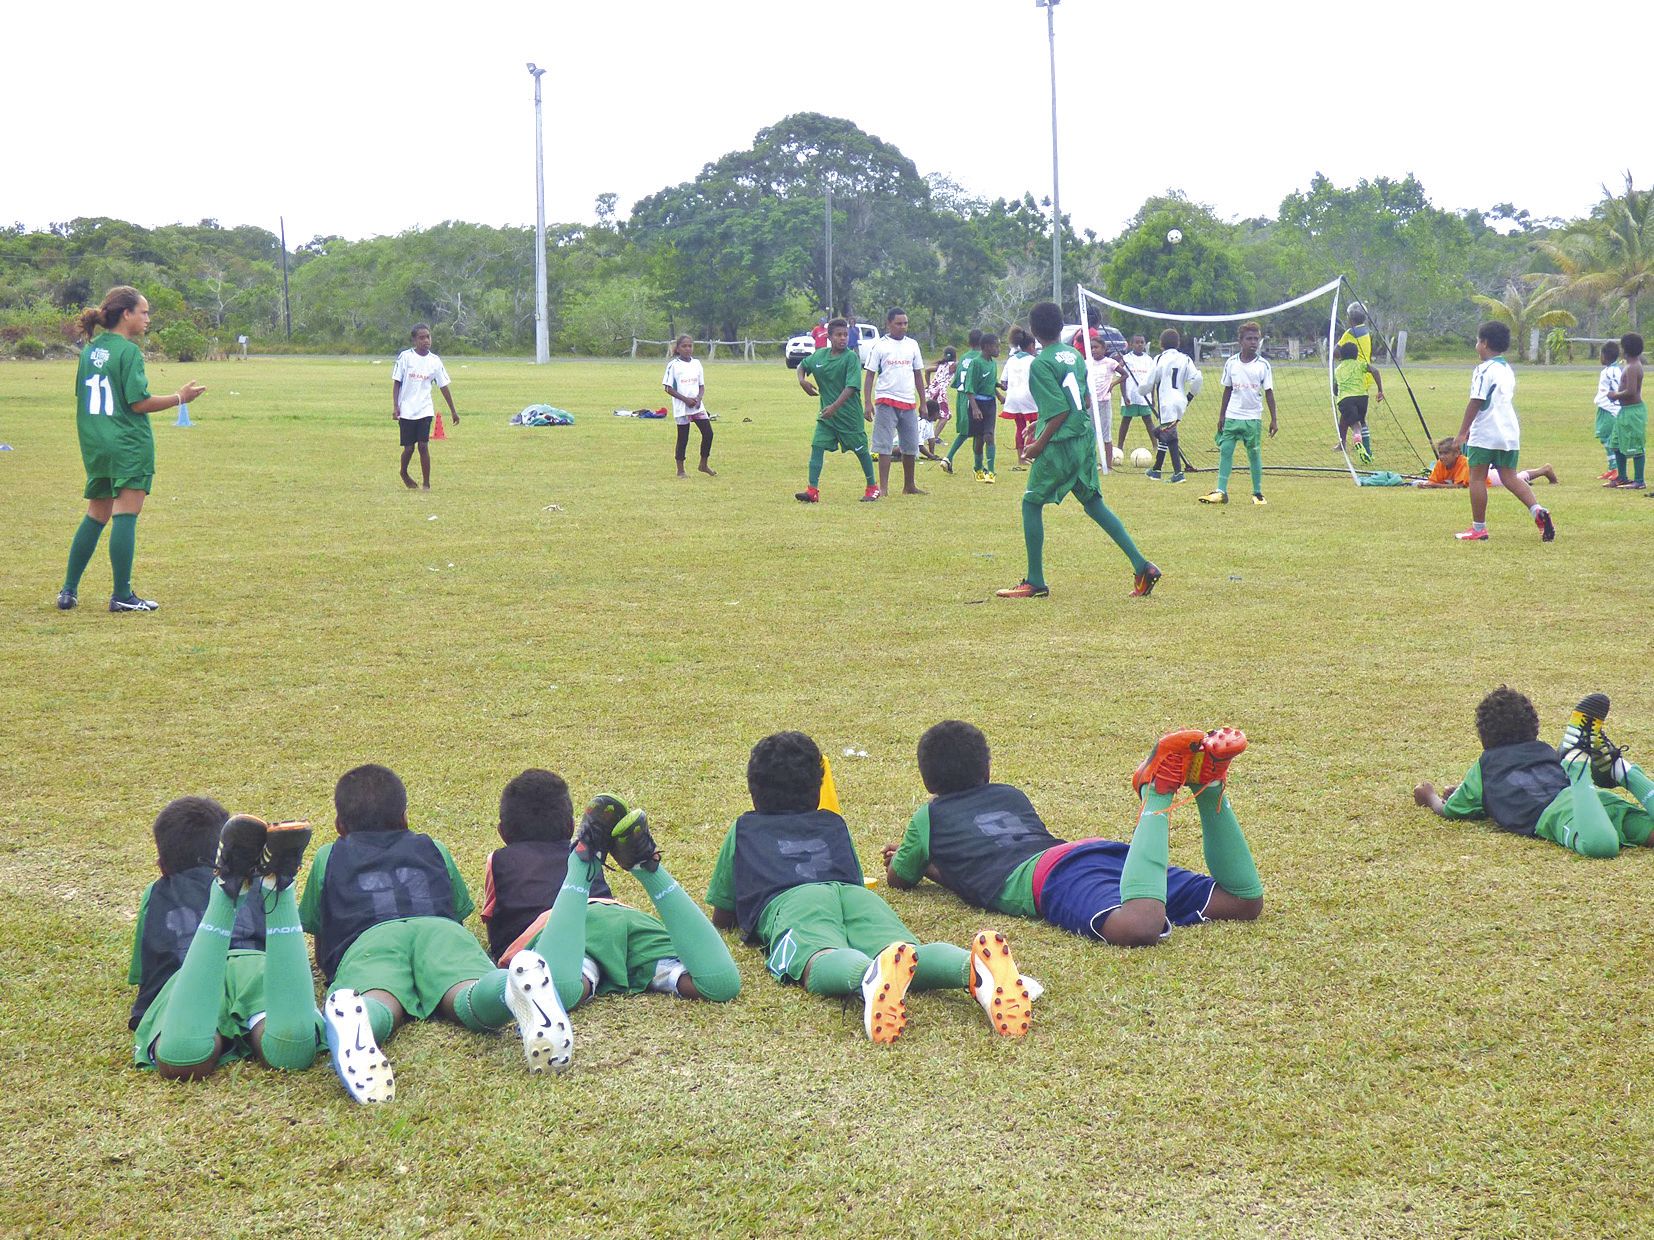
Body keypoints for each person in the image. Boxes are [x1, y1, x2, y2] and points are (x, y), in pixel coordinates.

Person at [705, 731, 1036, 1043]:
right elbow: (850, 875)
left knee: (817, 958)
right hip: (857, 896)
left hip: (794, 901)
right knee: (909, 955)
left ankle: (868, 976)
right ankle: (973, 966)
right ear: (818, 787)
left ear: (753, 790)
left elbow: (724, 914)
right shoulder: (833, 823)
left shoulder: (744, 829)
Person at [299, 764, 571, 1103]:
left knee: (381, 1001)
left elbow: (318, 925)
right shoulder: (433, 847)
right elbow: (455, 910)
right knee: (466, 994)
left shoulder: (328, 855)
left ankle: (360, 1015)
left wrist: (333, 964)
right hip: (441, 931)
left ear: (339, 826)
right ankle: (509, 987)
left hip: (369, 940)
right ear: (404, 818)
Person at [882, 721, 1264, 947]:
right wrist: (937, 867)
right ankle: (1209, 786)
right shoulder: (1010, 794)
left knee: (1139, 924)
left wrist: (910, 859)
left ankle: (1157, 790)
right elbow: (979, 860)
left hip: (1052, 878)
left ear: (927, 780)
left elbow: (901, 878)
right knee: (1242, 903)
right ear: (987, 769)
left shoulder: (928, 816)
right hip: (1098, 854)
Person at [482, 772, 741, 1012]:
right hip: (622, 918)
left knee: (553, 993)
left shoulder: (499, 860)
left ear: (502, 833)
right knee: (718, 985)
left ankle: (581, 867)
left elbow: (496, 925)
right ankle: (646, 867)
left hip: (556, 930)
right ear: (571, 827)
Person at [129, 802, 322, 1079]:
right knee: (289, 1054)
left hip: (190, 979)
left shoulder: (157, 892)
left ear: (163, 867)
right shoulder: (254, 885)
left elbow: (145, 974)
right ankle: (279, 885)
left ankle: (226, 893)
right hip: (257, 968)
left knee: (183, 1061)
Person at [996, 302, 1160, 600]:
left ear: (1033, 331)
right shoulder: (1075, 355)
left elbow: (1058, 410)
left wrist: (1037, 444)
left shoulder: (1040, 363)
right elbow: (1079, 402)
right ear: (1061, 327)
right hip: (1083, 438)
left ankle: (1035, 581)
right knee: (1094, 503)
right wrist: (1040, 424)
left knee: (1031, 503)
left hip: (1060, 444)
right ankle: (1142, 565)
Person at [58, 286, 205, 613]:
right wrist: (180, 398)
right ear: (126, 314)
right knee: (126, 514)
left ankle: (68, 590)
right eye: (144, 312)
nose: (148, 319)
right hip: (127, 442)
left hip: (96, 442)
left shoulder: (90, 351)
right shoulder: (128, 352)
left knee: (96, 514)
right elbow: (138, 403)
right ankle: (122, 594)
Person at [1413, 690, 1654, 859]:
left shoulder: (1485, 767)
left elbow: (1451, 810)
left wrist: (1431, 797)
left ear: (1483, 737)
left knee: (1602, 847)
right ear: (1534, 729)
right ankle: (1622, 771)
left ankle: (1579, 771)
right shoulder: (1545, 751)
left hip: (1561, 814)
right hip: (1590, 801)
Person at [1451, 321, 1554, 541]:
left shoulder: (1483, 369)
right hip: (1509, 431)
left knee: (1477, 478)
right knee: (1510, 477)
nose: (1477, 346)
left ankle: (1479, 529)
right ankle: (1537, 510)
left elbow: (1476, 401)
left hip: (1486, 432)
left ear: (1484, 343)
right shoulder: (1507, 369)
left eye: (1478, 342)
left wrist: (1462, 432)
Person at [796, 318, 879, 503]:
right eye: (839, 335)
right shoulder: (820, 356)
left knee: (861, 451)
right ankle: (812, 491)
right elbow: (802, 366)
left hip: (849, 417)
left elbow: (850, 388)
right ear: (830, 337)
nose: (843, 338)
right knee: (817, 446)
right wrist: (802, 381)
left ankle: (873, 487)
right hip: (827, 418)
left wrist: (834, 407)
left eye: (845, 335)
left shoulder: (851, 358)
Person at [1201, 322, 1278, 506]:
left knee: (1253, 454)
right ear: (1240, 341)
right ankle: (1221, 491)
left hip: (1253, 418)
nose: (1253, 342)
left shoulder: (1263, 365)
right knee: (1225, 451)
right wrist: (1221, 416)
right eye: (1249, 339)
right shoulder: (1231, 363)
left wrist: (1274, 419)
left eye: (1256, 339)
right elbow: (1227, 390)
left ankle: (1258, 493)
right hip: (1232, 416)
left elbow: (1269, 393)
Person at [862, 309, 928, 496]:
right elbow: (869, 375)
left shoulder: (913, 345)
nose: (903, 327)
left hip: (908, 402)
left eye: (905, 323)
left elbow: (918, 375)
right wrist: (868, 402)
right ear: (889, 324)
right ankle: (883, 488)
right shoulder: (880, 346)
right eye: (899, 323)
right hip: (886, 400)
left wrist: (923, 402)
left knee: (911, 445)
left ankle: (909, 486)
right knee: (884, 446)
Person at [391, 324, 458, 491]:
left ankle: (426, 483)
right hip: (407, 409)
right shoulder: (405, 357)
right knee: (409, 448)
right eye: (421, 337)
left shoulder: (434, 361)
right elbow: (397, 383)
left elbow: (443, 386)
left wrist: (453, 411)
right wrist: (395, 406)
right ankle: (404, 472)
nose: (426, 340)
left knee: (423, 445)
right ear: (414, 340)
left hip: (425, 409)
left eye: (428, 337)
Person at [1145, 328, 1195, 482]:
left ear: (1161, 344)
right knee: (1170, 435)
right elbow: (1197, 378)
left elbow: (1149, 381)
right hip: (1180, 401)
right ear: (1178, 343)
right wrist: (1189, 397)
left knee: (1162, 433)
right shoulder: (1185, 358)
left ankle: (1178, 474)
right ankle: (1157, 470)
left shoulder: (1159, 359)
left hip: (1167, 403)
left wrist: (1142, 391)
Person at [1413, 437, 1555, 490]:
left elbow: (1461, 486)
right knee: (1517, 477)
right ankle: (1543, 470)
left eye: (1445, 453)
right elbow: (1433, 480)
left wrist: (1435, 486)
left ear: (1457, 454)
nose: (1441, 456)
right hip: (1481, 476)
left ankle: (1544, 470)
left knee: (1516, 478)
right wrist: (1427, 485)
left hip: (1489, 477)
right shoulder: (1440, 463)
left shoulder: (1464, 463)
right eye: (1440, 453)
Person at [664, 334, 715, 479]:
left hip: (697, 407)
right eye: (684, 346)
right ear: (678, 349)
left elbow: (701, 386)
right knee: (683, 438)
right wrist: (686, 400)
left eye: (690, 346)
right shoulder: (673, 365)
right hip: (682, 407)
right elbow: (668, 388)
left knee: (708, 434)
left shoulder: (697, 363)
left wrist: (698, 399)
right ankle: (680, 470)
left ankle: (703, 464)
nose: (687, 349)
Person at [1333, 340, 1385, 461]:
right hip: (1362, 398)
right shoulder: (1360, 364)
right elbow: (1375, 371)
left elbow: (1336, 389)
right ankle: (1347, 445)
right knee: (1358, 421)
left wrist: (1336, 391)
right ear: (1356, 355)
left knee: (1356, 425)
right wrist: (1380, 390)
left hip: (1345, 399)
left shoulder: (1338, 370)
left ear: (1341, 355)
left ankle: (1357, 440)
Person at [960, 332, 1002, 482]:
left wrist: (999, 390)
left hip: (990, 404)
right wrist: (975, 408)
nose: (999, 349)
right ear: (986, 347)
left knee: (989, 435)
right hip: (977, 403)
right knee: (979, 439)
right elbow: (969, 386)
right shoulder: (976, 363)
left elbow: (990, 381)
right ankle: (978, 468)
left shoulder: (993, 363)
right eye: (996, 346)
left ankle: (991, 472)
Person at [941, 329, 984, 476]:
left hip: (961, 397)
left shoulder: (964, 357)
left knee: (971, 431)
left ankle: (978, 464)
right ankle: (949, 458)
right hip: (974, 398)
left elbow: (957, 381)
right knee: (974, 432)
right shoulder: (980, 358)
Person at [1609, 332, 1647, 492]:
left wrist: (1614, 395)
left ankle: (1639, 480)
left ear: (1626, 349)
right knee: (1616, 443)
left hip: (1633, 412)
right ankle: (1622, 477)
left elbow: (1631, 391)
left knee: (1636, 445)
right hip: (1624, 412)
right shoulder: (1630, 365)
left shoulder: (1633, 367)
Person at [1084, 329, 1124, 475]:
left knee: (1106, 434)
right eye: (1092, 347)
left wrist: (1113, 384)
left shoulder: (1110, 363)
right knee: (1090, 433)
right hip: (1091, 403)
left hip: (1104, 402)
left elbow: (1124, 375)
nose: (1094, 350)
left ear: (1104, 349)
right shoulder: (1087, 363)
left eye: (1097, 347)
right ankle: (1091, 463)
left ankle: (1108, 464)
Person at [998, 328, 1038, 466]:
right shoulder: (1033, 361)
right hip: (1030, 398)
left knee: (1020, 427)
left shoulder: (1011, 360)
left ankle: (1021, 458)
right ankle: (1031, 453)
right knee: (1036, 426)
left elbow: (1003, 381)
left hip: (1013, 398)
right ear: (1032, 346)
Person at [1116, 333, 1157, 456]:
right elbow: (1122, 379)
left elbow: (1152, 381)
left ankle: (1155, 444)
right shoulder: (1126, 359)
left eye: (1142, 342)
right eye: (1137, 342)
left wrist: (1152, 398)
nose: (1140, 344)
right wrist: (1124, 396)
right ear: (1131, 344)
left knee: (1148, 421)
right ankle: (1120, 447)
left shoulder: (1149, 360)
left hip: (1144, 398)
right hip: (1130, 396)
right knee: (1126, 420)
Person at [1593, 341, 1622, 482]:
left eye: (1601, 354)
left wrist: (1615, 407)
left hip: (1610, 410)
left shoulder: (1612, 372)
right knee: (1605, 438)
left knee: (1609, 439)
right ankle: (1612, 468)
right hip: (1604, 408)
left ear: (1605, 355)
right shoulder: (1608, 370)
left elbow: (1617, 389)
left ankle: (1616, 468)